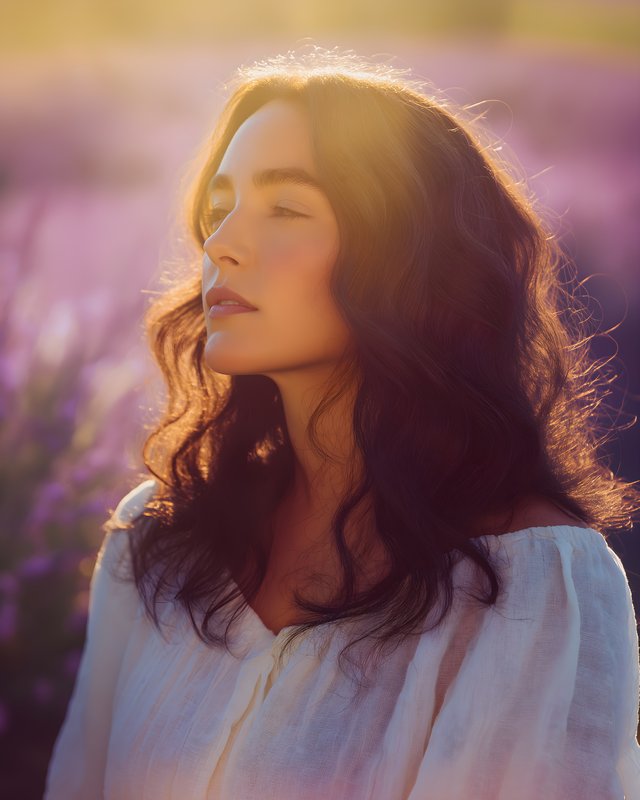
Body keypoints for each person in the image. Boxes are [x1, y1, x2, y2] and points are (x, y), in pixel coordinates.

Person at [44, 46, 640, 799]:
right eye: (217, 207)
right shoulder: (160, 541)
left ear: (408, 258)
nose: (219, 243)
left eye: (285, 208)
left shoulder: (528, 585)